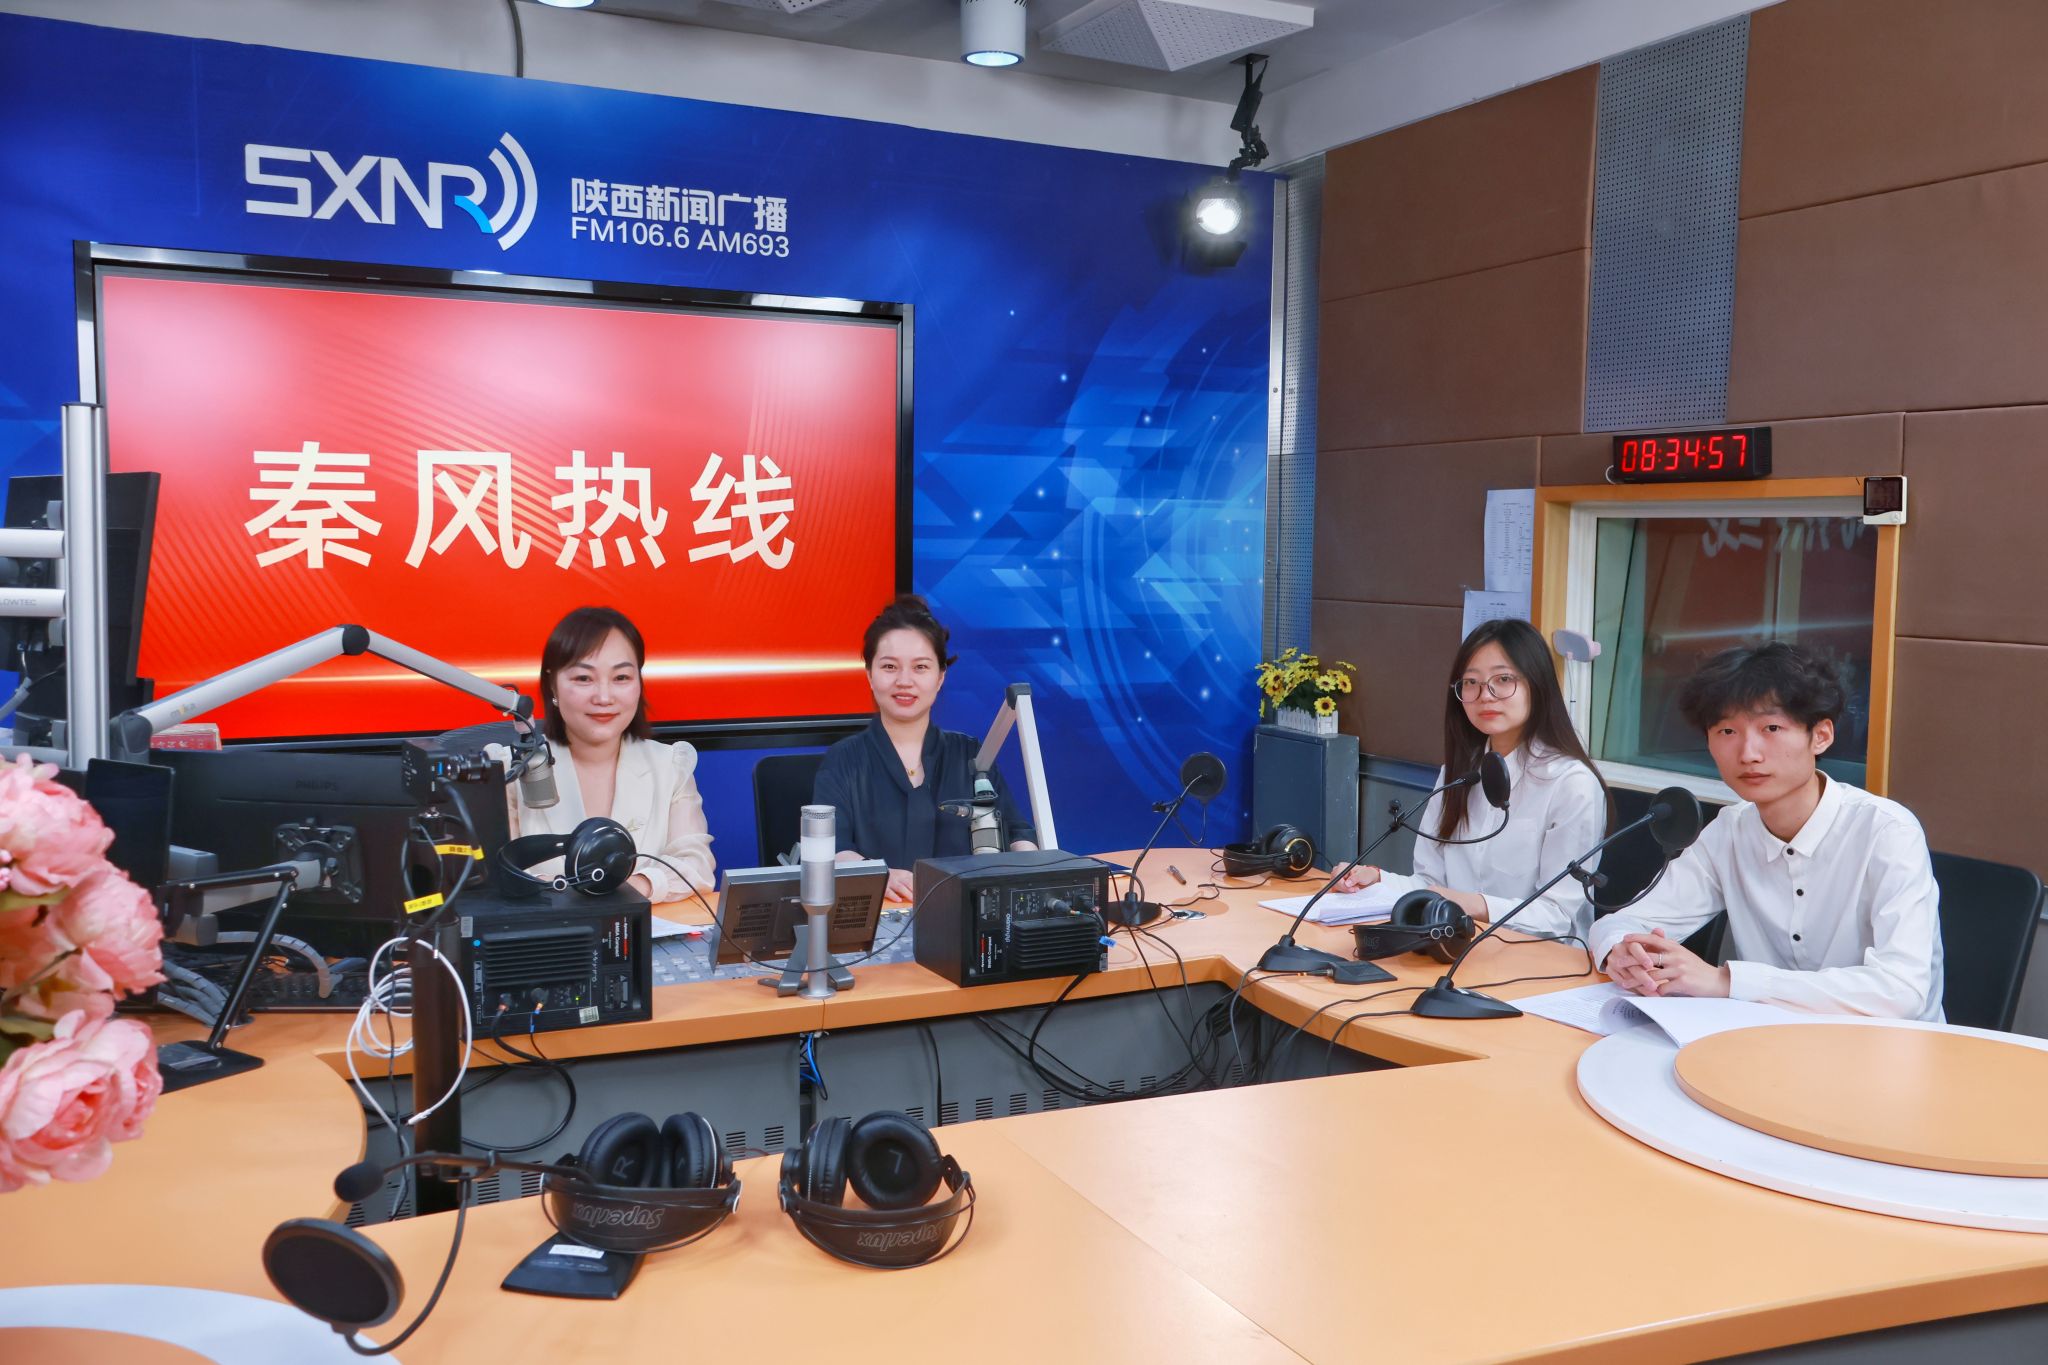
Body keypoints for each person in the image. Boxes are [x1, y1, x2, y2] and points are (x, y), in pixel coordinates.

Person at [1590, 641, 1943, 1020]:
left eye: (1771, 728)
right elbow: (1622, 923)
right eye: (1727, 731)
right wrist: (1623, 952)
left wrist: (1727, 981)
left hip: (1886, 1046)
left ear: (1821, 736)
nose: (1748, 754)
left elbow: (1901, 992)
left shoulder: (1887, 831)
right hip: (1765, 1039)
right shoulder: (1730, 831)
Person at [1338, 618, 1609, 944]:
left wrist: (1475, 905)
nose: (1485, 695)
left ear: (1537, 685)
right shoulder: (1459, 773)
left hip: (1540, 960)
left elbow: (1559, 915)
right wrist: (1377, 881)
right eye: (1471, 682)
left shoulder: (1571, 783)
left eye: (1503, 679)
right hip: (1455, 947)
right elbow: (1430, 884)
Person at [812, 595, 1035, 902]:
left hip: (962, 913)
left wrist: (1033, 871)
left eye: (920, 667)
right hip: (882, 914)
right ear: (869, 675)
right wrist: (875, 874)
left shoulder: (971, 756)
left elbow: (1018, 834)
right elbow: (831, 850)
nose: (904, 681)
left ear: (940, 677)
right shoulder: (843, 760)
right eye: (889, 666)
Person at [502, 606, 715, 909]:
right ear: (552, 685)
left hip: (640, 934)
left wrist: (629, 887)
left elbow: (696, 866)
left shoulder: (670, 766)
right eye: (583, 678)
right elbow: (494, 880)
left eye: (621, 677)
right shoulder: (510, 771)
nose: (603, 697)